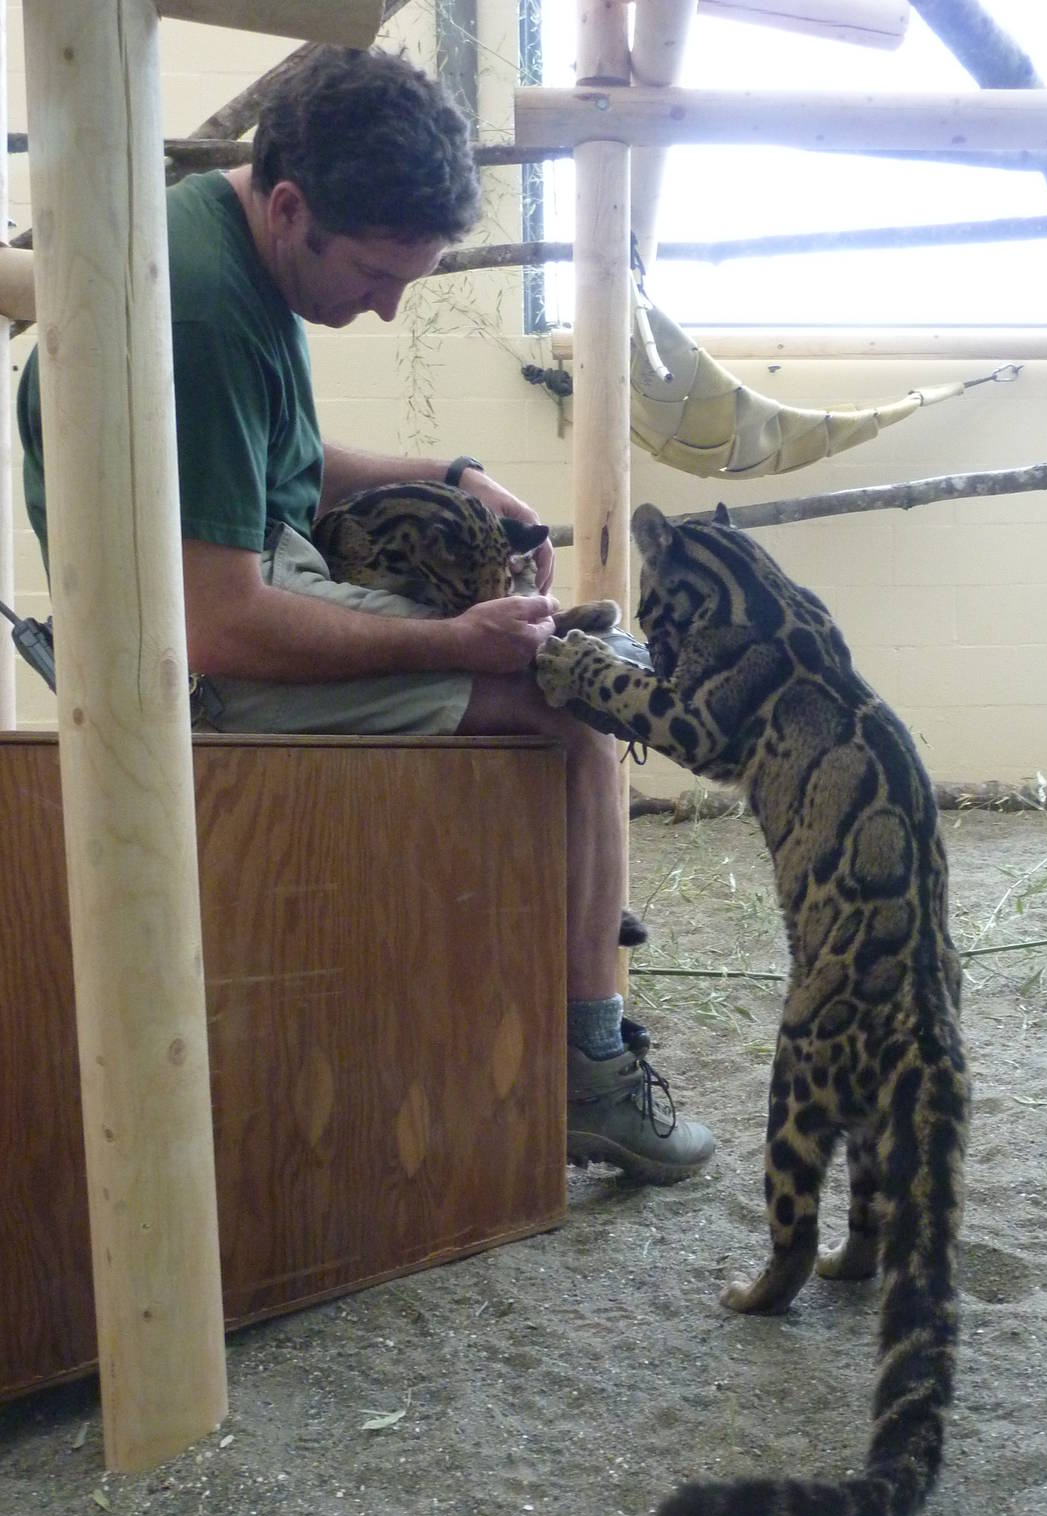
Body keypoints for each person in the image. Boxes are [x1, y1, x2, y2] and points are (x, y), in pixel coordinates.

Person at [17, 46, 714, 1185]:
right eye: (379, 274)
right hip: (185, 664)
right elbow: (218, 625)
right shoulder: (195, 304)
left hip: (240, 588)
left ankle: (552, 960)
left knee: (559, 639)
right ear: (292, 206)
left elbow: (276, 459)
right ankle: (588, 1070)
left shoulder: (225, 235)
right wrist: (452, 645)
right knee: (576, 713)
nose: (388, 305)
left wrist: (452, 472)